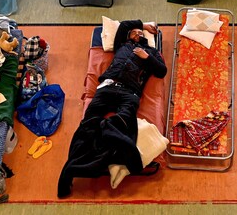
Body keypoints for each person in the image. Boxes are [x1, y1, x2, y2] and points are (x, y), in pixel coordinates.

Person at [58, 20, 166, 197]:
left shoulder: (151, 52)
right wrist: (143, 25)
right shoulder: (122, 45)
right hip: (107, 87)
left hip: (130, 92)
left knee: (125, 120)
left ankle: (107, 130)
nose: (137, 34)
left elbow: (162, 70)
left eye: (140, 33)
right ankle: (71, 168)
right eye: (134, 32)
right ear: (128, 36)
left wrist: (146, 57)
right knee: (88, 123)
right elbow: (124, 25)